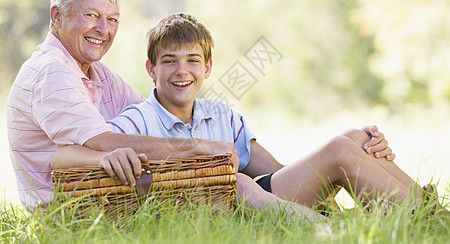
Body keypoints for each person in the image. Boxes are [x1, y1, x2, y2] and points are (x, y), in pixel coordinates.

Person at [52, 13, 426, 221]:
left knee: (355, 138)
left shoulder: (222, 115)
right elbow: (68, 152)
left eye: (192, 61)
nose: (182, 72)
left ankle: (422, 209)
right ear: (151, 69)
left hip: (262, 193)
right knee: (342, 151)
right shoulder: (136, 122)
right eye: (169, 61)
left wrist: (355, 159)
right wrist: (105, 156)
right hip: (230, 207)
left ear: (208, 67)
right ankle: (424, 214)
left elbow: (277, 170)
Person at [6, 0, 237, 212]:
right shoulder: (51, 70)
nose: (103, 29)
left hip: (107, 201)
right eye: (91, 15)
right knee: (236, 191)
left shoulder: (97, 72)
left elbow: (154, 115)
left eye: (112, 19)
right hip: (70, 216)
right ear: (57, 16)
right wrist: (199, 147)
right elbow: (104, 143)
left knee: (238, 187)